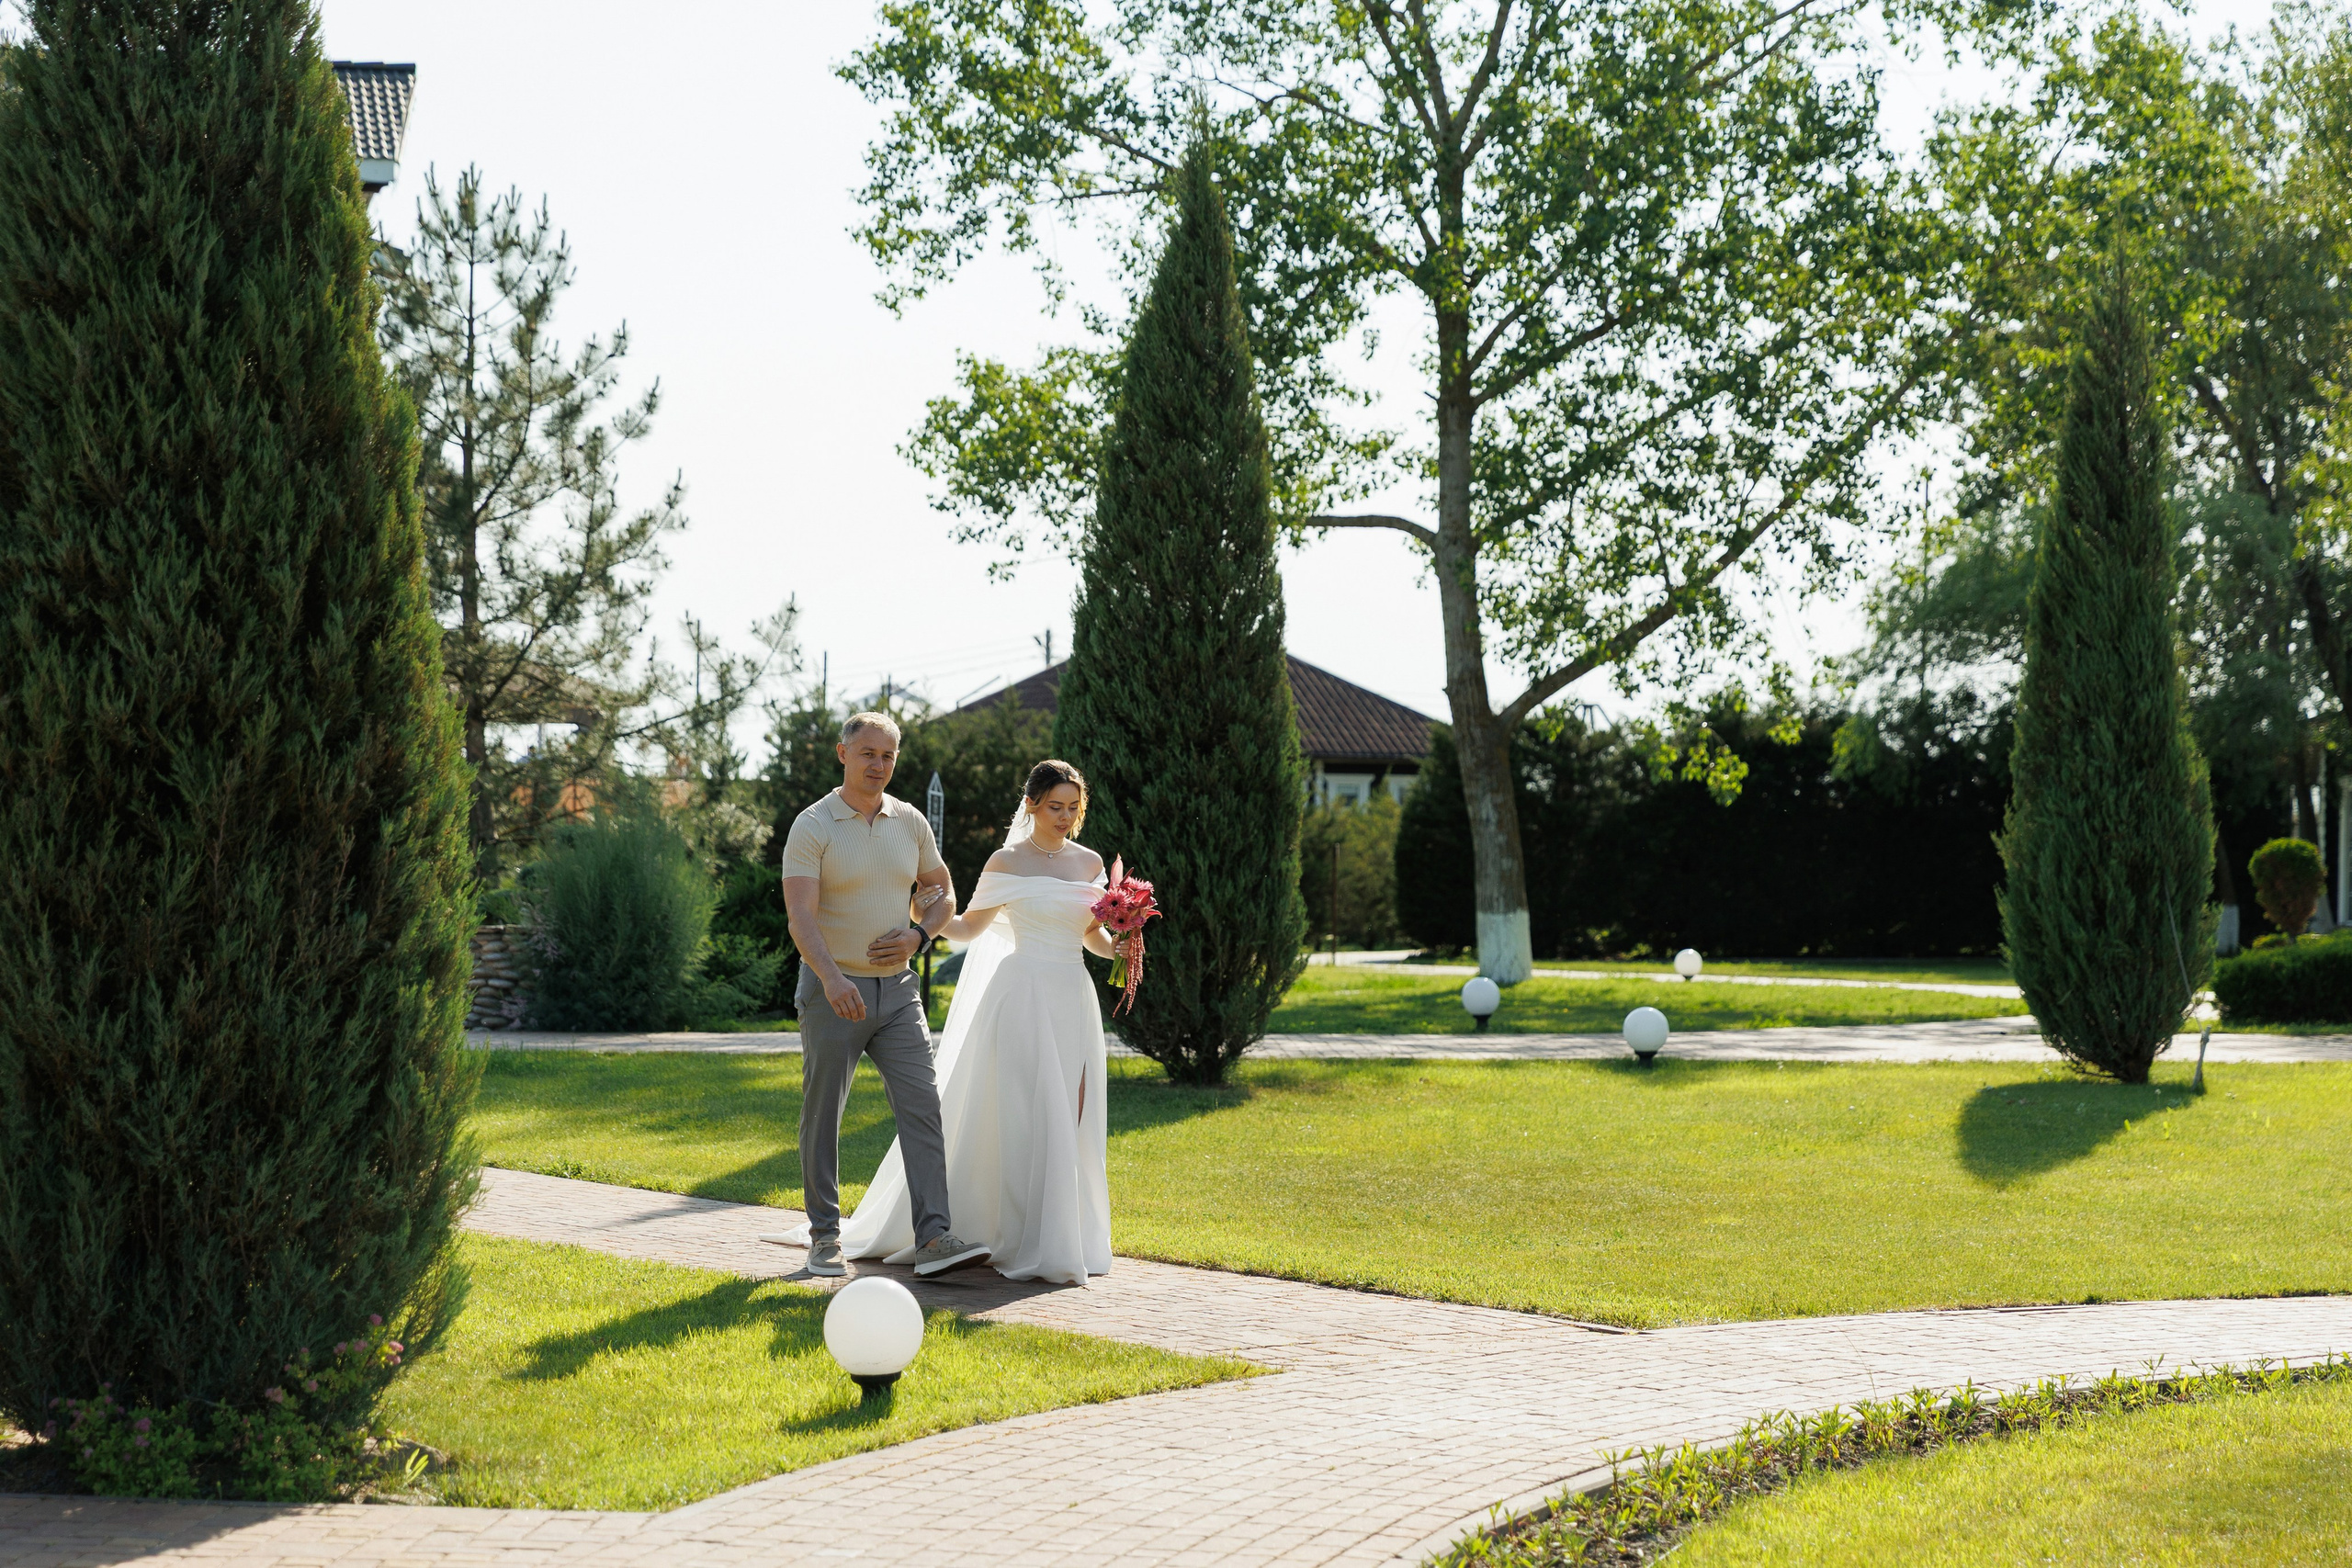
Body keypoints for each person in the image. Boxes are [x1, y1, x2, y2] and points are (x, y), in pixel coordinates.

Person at [842, 760, 1116, 1285]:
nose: (1063, 817)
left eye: (1073, 808)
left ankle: (1058, 1237)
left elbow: (1091, 937)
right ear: (1032, 804)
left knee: (1070, 1114)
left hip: (1071, 996)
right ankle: (1015, 1234)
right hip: (1020, 996)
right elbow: (969, 928)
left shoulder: (1090, 863)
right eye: (1054, 806)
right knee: (1025, 1113)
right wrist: (928, 919)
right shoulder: (1006, 861)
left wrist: (1121, 945)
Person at [763, 711, 990, 1280]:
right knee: (823, 1114)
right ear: (843, 754)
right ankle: (824, 1238)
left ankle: (935, 1237)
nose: (879, 765)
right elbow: (800, 917)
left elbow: (941, 891)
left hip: (898, 993)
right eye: (868, 753)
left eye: (888, 756)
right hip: (831, 990)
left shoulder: (909, 821)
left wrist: (920, 933)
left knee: (922, 1106)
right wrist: (833, 979)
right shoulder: (814, 825)